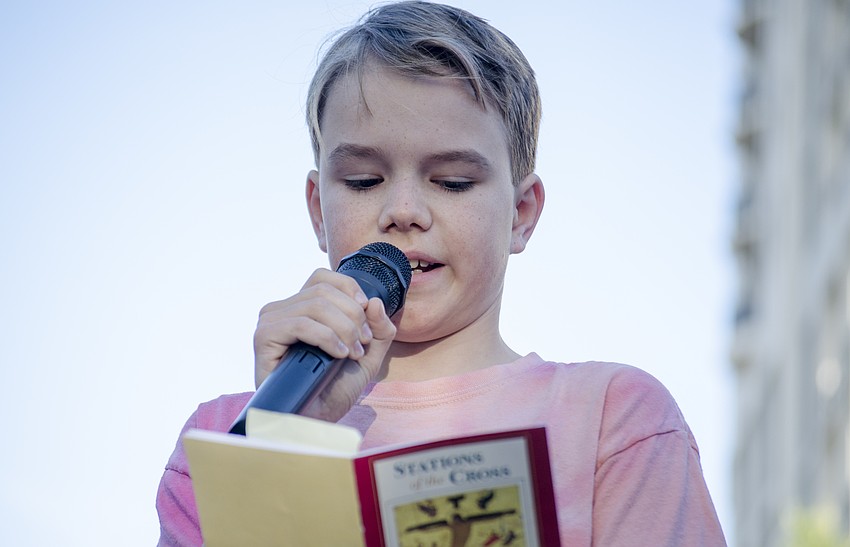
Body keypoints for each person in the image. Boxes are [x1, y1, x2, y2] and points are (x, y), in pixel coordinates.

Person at [156, 1, 727, 545]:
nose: (403, 211)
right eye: (363, 180)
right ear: (317, 208)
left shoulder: (612, 419)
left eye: (452, 182)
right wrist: (277, 439)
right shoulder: (223, 440)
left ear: (521, 214)